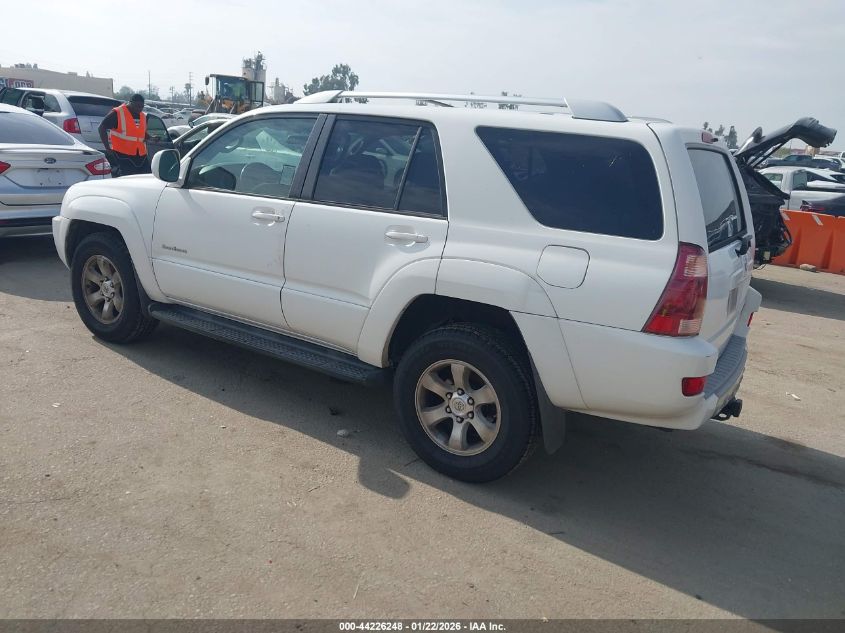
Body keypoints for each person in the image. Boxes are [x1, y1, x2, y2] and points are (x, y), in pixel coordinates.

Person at [98, 94, 151, 177]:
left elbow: (139, 132)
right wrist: (107, 148)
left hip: (140, 155)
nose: (139, 109)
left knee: (144, 177)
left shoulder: (143, 116)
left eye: (141, 107)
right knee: (126, 179)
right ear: (130, 103)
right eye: (137, 106)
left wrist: (151, 138)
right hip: (122, 154)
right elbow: (101, 127)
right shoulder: (118, 113)